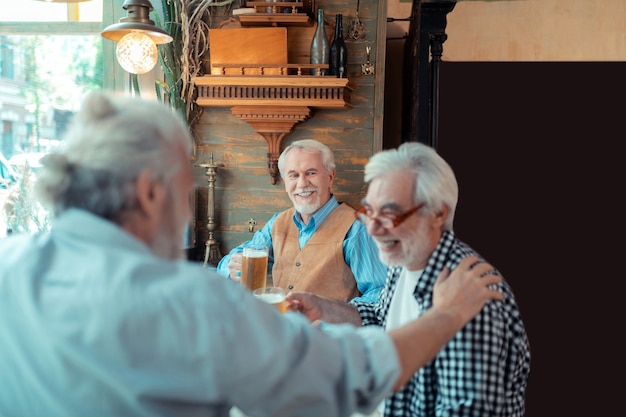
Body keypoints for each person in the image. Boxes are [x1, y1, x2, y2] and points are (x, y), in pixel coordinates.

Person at [0, 91, 505, 417]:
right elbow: (348, 375)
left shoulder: (9, 266)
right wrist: (448, 315)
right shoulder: (193, 302)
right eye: (187, 186)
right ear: (153, 193)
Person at [287, 142, 531, 417]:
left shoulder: (469, 296)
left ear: (438, 213)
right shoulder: (403, 259)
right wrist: (323, 307)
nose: (375, 230)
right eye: (370, 212)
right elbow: (380, 317)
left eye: (390, 215)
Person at [217, 139, 386, 303]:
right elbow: (234, 259)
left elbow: (379, 294)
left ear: (330, 177)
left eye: (311, 173)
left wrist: (335, 318)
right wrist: (233, 267)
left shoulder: (357, 228)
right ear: (285, 182)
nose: (302, 183)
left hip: (329, 331)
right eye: (293, 175)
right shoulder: (278, 222)